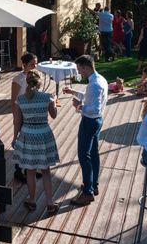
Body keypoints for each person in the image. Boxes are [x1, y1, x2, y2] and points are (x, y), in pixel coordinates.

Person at [62, 55, 108, 206]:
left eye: (79, 69)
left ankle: (87, 193)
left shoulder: (94, 84)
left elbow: (92, 109)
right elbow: (90, 98)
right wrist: (73, 92)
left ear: (85, 67)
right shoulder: (99, 79)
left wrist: (79, 107)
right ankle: (93, 185)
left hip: (90, 121)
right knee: (93, 153)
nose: (78, 72)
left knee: (84, 155)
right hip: (97, 121)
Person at [12, 70, 60, 213]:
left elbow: (17, 121)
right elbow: (54, 115)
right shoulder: (47, 97)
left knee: (30, 170)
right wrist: (55, 102)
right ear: (39, 83)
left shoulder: (20, 100)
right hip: (44, 134)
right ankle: (50, 202)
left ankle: (32, 200)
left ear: (27, 82)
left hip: (28, 135)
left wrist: (15, 137)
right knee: (45, 170)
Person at [11, 52, 38, 183]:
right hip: (21, 113)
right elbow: (14, 100)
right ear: (25, 64)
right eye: (33, 63)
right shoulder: (18, 79)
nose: (35, 65)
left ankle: (30, 170)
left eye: (36, 63)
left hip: (33, 114)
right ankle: (18, 170)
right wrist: (16, 117)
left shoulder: (36, 77)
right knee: (21, 144)